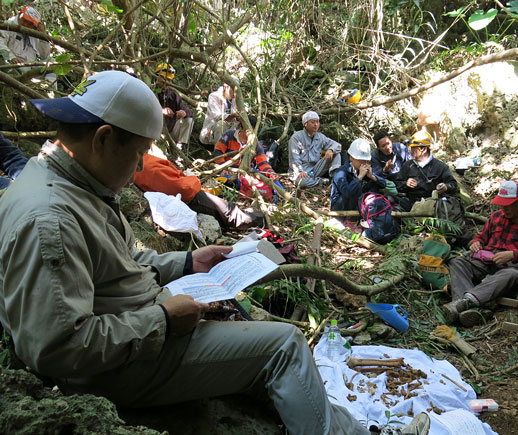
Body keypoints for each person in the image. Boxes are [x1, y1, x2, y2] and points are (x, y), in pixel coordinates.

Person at [0, 70, 376, 435]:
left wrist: (188, 262)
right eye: (139, 154)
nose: (140, 168)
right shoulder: (51, 219)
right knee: (286, 345)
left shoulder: (70, 182)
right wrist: (162, 320)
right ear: (102, 139)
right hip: (116, 369)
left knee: (267, 349)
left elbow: (117, 265)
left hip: (135, 328)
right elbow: (55, 348)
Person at [444, 180, 518, 327]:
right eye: (502, 205)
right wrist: (477, 242)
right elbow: (482, 236)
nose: (504, 209)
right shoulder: (496, 217)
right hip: (486, 262)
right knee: (457, 262)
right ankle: (463, 308)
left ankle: (465, 303)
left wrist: (514, 254)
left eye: (509, 205)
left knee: (511, 275)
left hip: (513, 268)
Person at [134, 152, 264, 229]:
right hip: (190, 197)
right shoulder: (145, 164)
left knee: (226, 208)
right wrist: (194, 180)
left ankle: (252, 213)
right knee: (229, 214)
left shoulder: (142, 160)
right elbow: (182, 189)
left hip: (184, 192)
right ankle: (259, 217)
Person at [395, 130, 458, 211]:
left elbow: (453, 185)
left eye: (414, 148)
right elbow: (397, 185)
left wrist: (446, 187)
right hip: (411, 204)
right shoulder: (407, 165)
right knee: (389, 199)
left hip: (433, 206)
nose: (411, 151)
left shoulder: (440, 167)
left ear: (423, 149)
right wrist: (405, 184)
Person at [288, 111, 342, 188]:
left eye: (317, 122)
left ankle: (336, 179)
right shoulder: (296, 137)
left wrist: (331, 150)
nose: (316, 124)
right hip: (301, 171)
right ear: (305, 124)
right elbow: (294, 157)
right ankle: (323, 181)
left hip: (315, 169)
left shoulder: (320, 137)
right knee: (302, 183)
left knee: (336, 153)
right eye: (313, 122)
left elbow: (337, 145)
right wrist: (299, 170)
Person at [330, 138, 386, 212]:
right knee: (354, 191)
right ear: (351, 157)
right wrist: (359, 178)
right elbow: (347, 193)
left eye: (365, 160)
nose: (363, 162)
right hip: (340, 207)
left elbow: (383, 184)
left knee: (373, 183)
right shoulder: (341, 172)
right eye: (360, 160)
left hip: (356, 205)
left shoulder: (360, 169)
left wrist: (372, 176)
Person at [213, 115, 277, 179]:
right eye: (248, 131)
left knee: (271, 181)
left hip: (247, 171)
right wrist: (224, 167)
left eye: (253, 131)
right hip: (229, 170)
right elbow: (218, 152)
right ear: (241, 127)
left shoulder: (255, 143)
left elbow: (262, 162)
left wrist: (271, 173)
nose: (249, 134)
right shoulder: (229, 135)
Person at [155, 63, 194, 149]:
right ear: (157, 78)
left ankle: (180, 146)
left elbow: (187, 111)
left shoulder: (173, 95)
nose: (167, 82)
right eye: (164, 79)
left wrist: (183, 112)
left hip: (170, 130)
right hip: (155, 130)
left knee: (189, 120)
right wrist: (161, 110)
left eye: (169, 80)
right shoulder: (153, 90)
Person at [199, 80, 240, 147]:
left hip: (231, 128)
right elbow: (217, 116)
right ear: (226, 87)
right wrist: (233, 115)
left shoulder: (235, 100)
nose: (235, 93)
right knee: (221, 124)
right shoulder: (214, 96)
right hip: (213, 130)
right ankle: (219, 152)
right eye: (233, 90)